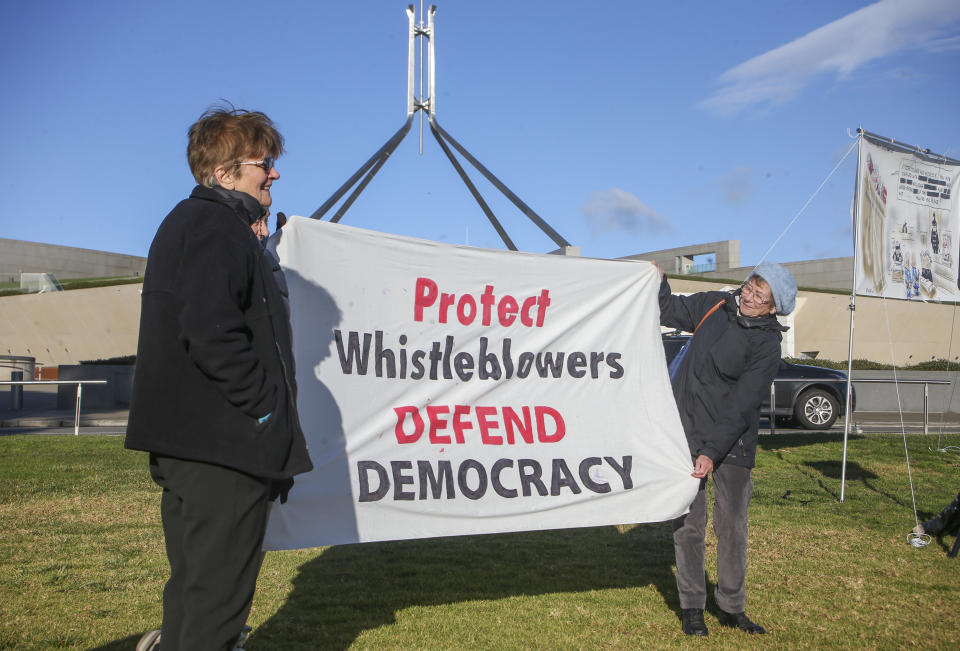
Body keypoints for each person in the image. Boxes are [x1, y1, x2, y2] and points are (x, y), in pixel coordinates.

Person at [126, 105, 312, 651]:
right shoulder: (212, 227)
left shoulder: (200, 224)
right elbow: (210, 331)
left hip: (198, 445)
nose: (273, 172)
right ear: (224, 174)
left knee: (195, 589)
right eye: (264, 161)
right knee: (217, 603)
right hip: (223, 448)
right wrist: (263, 410)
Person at [655, 260, 797, 637]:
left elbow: (741, 405)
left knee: (732, 526)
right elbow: (671, 310)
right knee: (688, 524)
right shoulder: (715, 304)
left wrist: (711, 452)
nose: (750, 296)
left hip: (731, 443)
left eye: (760, 296)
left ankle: (732, 607)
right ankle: (692, 607)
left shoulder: (767, 343)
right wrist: (659, 281)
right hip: (686, 434)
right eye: (751, 286)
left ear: (773, 307)